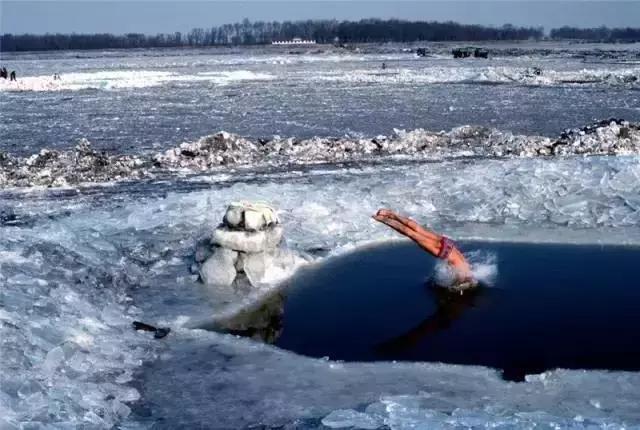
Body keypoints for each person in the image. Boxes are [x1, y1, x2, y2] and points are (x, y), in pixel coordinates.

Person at [372, 209, 475, 287]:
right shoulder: (463, 276)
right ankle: (383, 219)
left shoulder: (467, 266)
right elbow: (456, 283)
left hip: (449, 244)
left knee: (418, 229)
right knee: (412, 234)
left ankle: (392, 214)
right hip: (443, 252)